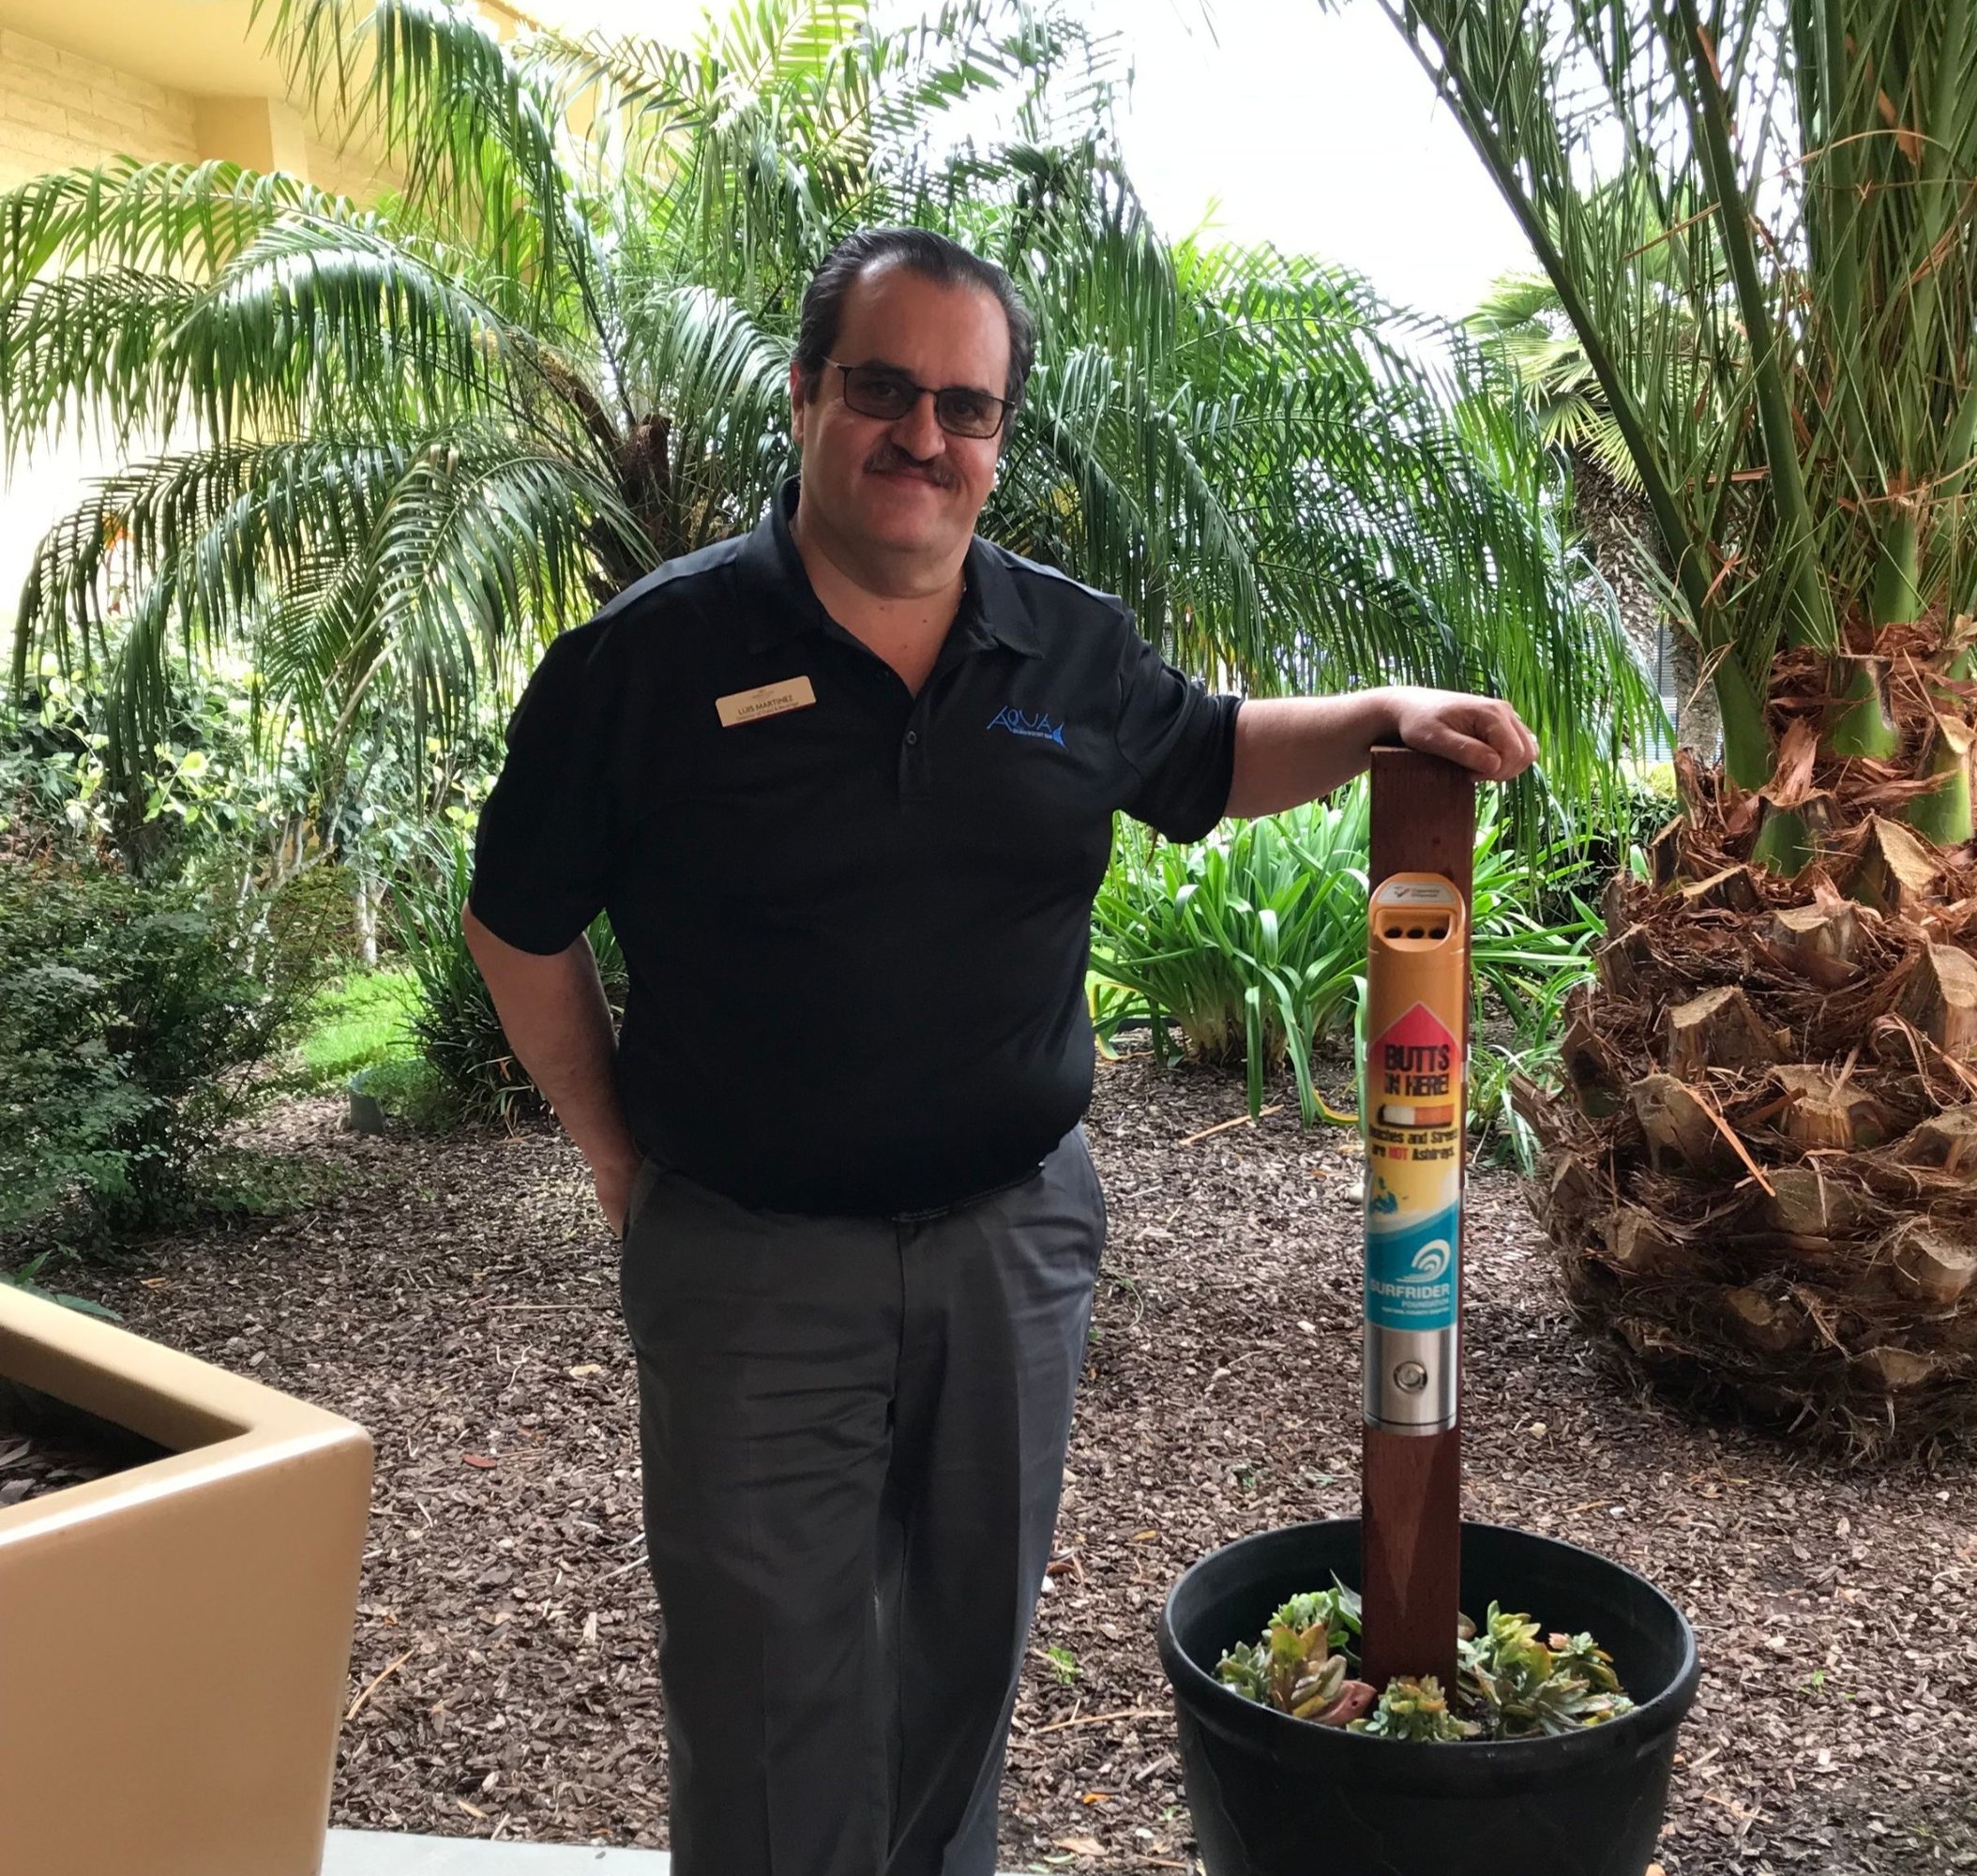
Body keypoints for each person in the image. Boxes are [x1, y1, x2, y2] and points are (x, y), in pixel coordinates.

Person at [463, 225, 1537, 1876]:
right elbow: (519, 922)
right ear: (810, 394)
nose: (923, 437)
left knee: (966, 1653)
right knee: (765, 1683)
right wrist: (618, 1159)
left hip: (1013, 1240)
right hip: (749, 1257)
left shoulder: (1066, 645)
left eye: (964, 408)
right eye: (883, 390)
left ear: (996, 441)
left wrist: (1380, 711)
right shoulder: (648, 659)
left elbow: (1208, 757)